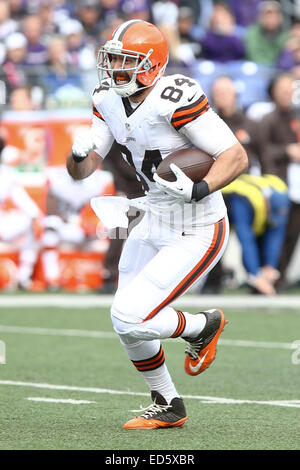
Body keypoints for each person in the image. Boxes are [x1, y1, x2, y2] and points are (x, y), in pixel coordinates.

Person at [66, 19, 248, 429]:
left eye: (123, 60)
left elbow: (235, 156)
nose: (113, 68)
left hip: (198, 224)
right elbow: (84, 170)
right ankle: (168, 403)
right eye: (110, 59)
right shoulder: (108, 98)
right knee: (125, 321)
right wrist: (78, 154)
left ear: (152, 65)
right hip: (151, 212)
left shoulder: (174, 96)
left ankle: (203, 325)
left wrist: (199, 188)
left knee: (130, 314)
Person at [259, 72, 300, 289]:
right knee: (277, 231)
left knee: (293, 232)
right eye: (282, 90)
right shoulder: (268, 119)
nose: (287, 94)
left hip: (297, 183)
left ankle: (281, 276)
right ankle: (272, 275)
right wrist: (287, 150)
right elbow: (264, 151)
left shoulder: (297, 116)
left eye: (289, 89)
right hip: (278, 183)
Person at [222, 173, 290, 295]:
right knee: (219, 246)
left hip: (255, 211)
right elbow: (246, 238)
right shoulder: (244, 199)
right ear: (267, 203)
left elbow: (276, 235)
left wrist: (270, 266)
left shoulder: (282, 195)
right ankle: (210, 284)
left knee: (265, 249)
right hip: (222, 209)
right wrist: (256, 276)